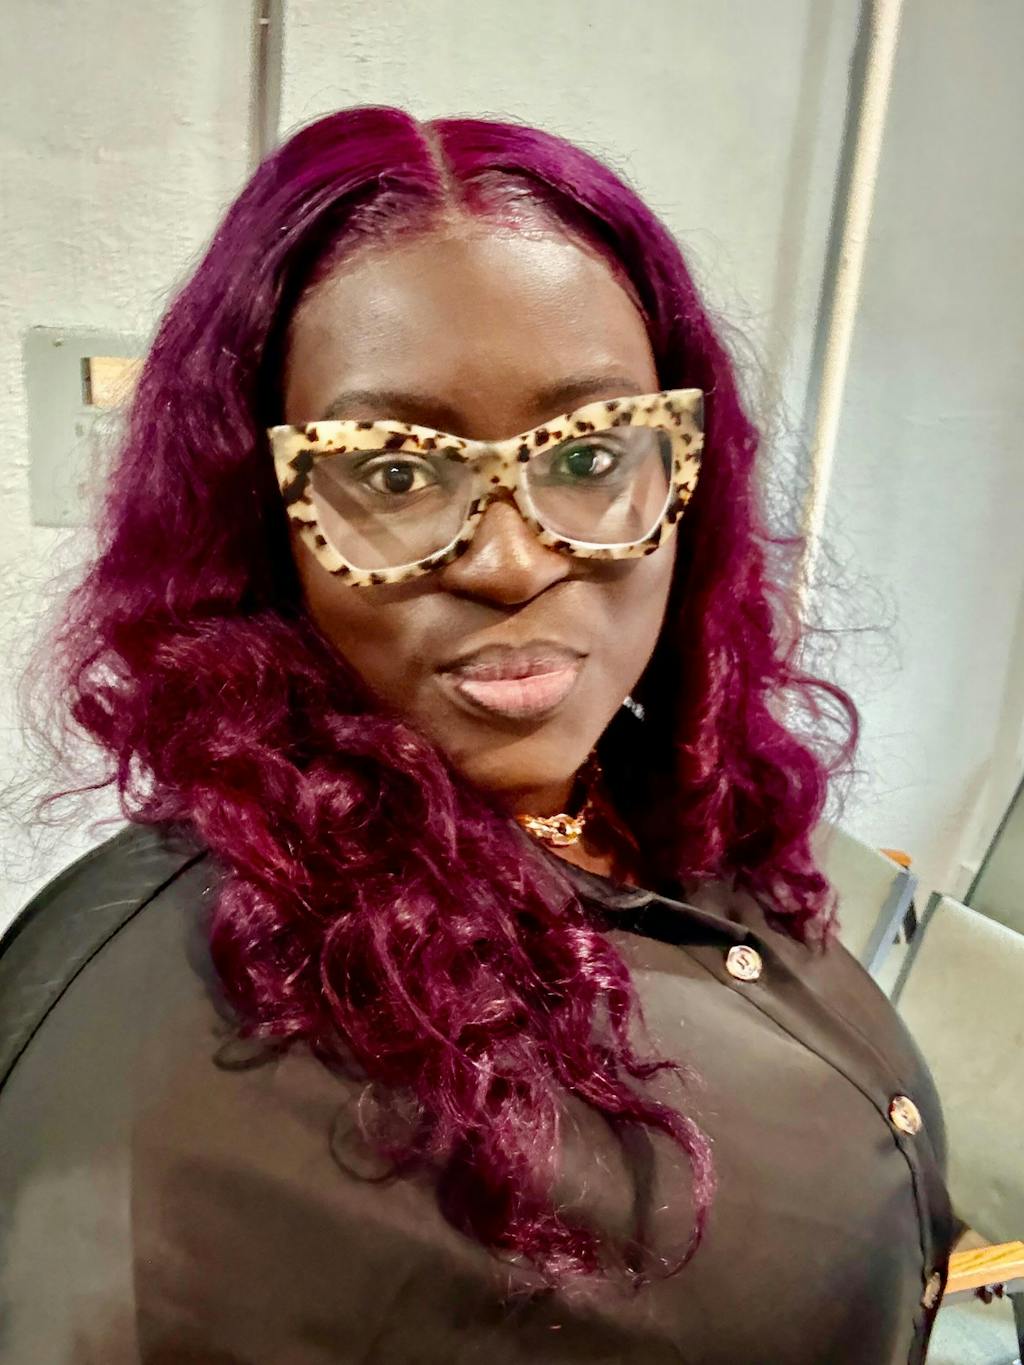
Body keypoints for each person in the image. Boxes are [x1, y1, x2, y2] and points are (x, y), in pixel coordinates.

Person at [0, 106, 954, 1364]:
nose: (511, 562)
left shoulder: (658, 804)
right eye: (396, 473)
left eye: (589, 455)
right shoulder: (162, 1050)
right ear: (263, 517)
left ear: (684, 476)